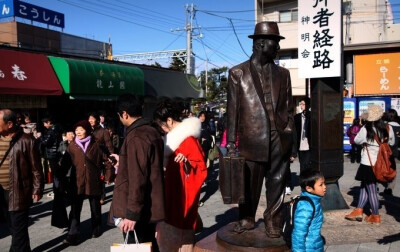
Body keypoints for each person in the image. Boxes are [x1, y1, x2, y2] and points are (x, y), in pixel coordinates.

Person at [226, 21, 294, 238]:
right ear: (260, 44)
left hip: (279, 136)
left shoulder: (283, 74)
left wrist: (288, 129)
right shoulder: (238, 73)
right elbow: (232, 110)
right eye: (274, 42)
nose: (277, 47)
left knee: (278, 181)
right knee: (250, 183)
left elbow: (289, 107)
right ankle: (246, 218)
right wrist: (230, 143)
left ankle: (273, 220)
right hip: (252, 138)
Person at [108, 93, 165, 251]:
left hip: (140, 210)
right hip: (149, 205)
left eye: (119, 115)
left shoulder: (136, 136)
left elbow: (137, 178)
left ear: (124, 114)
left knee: (139, 246)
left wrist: (132, 214)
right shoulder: (151, 131)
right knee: (149, 246)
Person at [153, 98, 207, 251]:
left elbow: (200, 169)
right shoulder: (174, 139)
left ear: (169, 120)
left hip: (180, 200)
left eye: (162, 125)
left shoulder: (188, 139)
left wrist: (187, 164)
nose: (162, 129)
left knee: (178, 242)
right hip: (171, 196)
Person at [0, 109, 44, 252]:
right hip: (2, 192)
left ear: (10, 124)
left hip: (19, 191)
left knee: (18, 230)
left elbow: (36, 169)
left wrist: (37, 189)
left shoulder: (27, 141)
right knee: (14, 228)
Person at [345, 105, 395, 224]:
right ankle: (359, 210)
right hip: (382, 162)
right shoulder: (388, 127)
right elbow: (392, 142)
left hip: (369, 162)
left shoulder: (367, 128)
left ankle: (375, 215)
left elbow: (357, 140)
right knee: (364, 186)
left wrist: (367, 143)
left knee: (371, 189)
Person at [61, 120, 104, 245]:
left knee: (95, 207)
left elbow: (106, 159)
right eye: (76, 130)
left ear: (87, 130)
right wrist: (59, 176)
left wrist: (108, 175)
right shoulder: (72, 146)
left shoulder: (96, 144)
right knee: (75, 209)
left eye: (81, 129)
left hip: (93, 179)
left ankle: (96, 228)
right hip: (77, 181)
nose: (78, 132)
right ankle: (72, 234)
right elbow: (65, 163)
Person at [291, 170, 326, 252]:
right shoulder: (306, 206)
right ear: (309, 188)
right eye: (321, 185)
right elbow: (298, 233)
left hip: (314, 245)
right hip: (308, 248)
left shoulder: (315, 201)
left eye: (324, 183)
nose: (324, 187)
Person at [88, 112, 115, 205]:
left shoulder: (103, 131)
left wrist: (111, 156)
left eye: (92, 118)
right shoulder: (87, 131)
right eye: (89, 119)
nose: (90, 120)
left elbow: (109, 145)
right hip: (89, 158)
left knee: (100, 178)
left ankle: (102, 196)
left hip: (100, 157)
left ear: (97, 120)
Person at [381, 109, 400, 195]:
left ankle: (382, 182)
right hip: (396, 152)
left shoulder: (386, 127)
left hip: (385, 151)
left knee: (382, 167)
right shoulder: (399, 126)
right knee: (393, 169)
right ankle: (390, 187)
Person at [293, 97, 312, 174]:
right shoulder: (297, 117)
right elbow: (294, 134)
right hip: (300, 145)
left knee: (307, 165)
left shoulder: (311, 116)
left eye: (303, 104)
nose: (301, 106)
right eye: (301, 104)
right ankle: (303, 182)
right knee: (302, 165)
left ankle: (307, 182)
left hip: (308, 145)